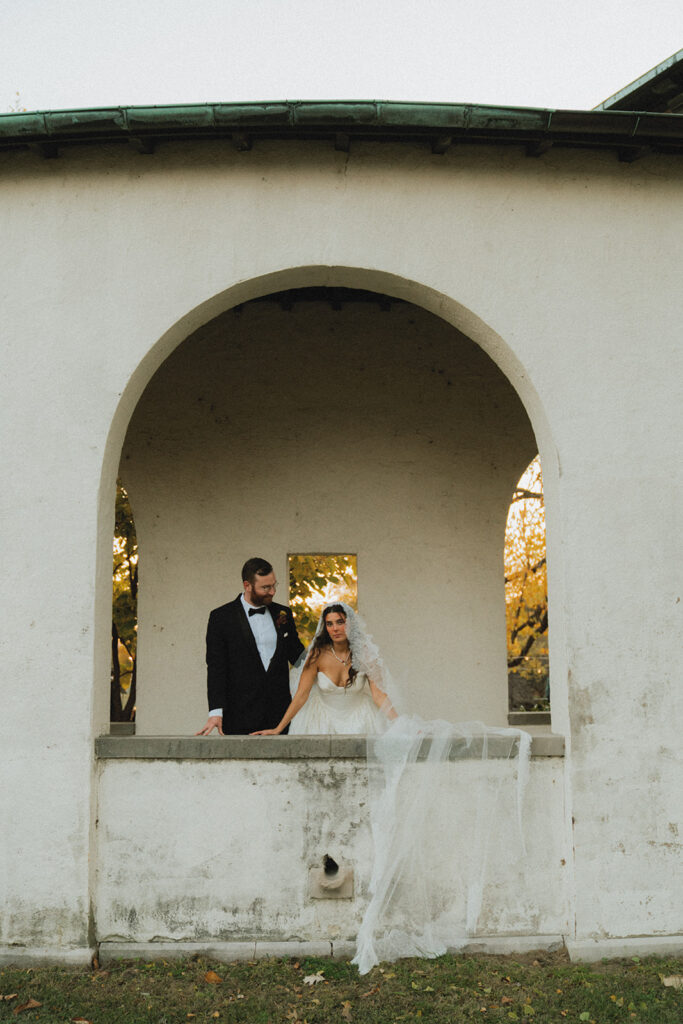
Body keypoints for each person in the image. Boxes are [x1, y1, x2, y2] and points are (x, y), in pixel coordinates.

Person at [195, 557, 305, 736]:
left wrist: (330, 657)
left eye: (273, 585)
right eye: (265, 588)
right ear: (247, 585)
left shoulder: (283, 613)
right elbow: (217, 668)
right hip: (239, 714)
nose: (272, 592)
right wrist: (216, 711)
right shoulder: (221, 618)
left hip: (279, 713)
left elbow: (298, 656)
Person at [251, 602, 398, 735]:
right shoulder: (317, 654)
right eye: (329, 624)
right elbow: (301, 694)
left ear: (350, 624)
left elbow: (379, 695)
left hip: (361, 719)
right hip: (321, 721)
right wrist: (278, 729)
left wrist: (400, 724)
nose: (335, 629)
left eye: (340, 622)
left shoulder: (365, 654)